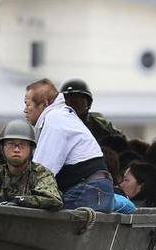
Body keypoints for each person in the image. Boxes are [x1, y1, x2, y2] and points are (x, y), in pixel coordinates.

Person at [26, 78, 114, 213]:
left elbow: (43, 171)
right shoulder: (63, 116)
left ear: (44, 104)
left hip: (87, 192)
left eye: (28, 104)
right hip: (99, 190)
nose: (25, 110)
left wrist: (20, 197)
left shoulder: (55, 119)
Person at [0, 120, 63, 211]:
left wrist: (20, 201)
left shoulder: (40, 174)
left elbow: (53, 200)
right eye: (11, 144)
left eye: (22, 145)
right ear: (2, 148)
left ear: (31, 149)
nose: (16, 149)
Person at [60, 78, 126, 142]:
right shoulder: (54, 124)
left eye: (77, 100)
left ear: (88, 103)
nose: (72, 104)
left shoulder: (100, 124)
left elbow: (122, 142)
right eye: (68, 100)